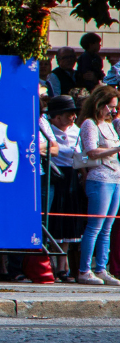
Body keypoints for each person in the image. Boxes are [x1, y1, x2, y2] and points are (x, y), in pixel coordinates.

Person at [75, 86, 120, 285]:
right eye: (110, 107)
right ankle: (84, 270)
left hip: (115, 178)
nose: (113, 111)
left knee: (107, 228)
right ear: (99, 104)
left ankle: (101, 268)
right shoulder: (89, 124)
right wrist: (117, 149)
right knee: (94, 226)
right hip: (99, 178)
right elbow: (91, 151)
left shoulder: (109, 125)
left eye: (115, 107)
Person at [41, 94, 84, 281]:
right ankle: (49, 263)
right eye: (69, 114)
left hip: (72, 175)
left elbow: (80, 153)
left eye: (74, 114)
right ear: (56, 116)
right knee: (54, 220)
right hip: (54, 175)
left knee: (68, 222)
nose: (73, 118)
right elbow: (55, 149)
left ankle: (63, 265)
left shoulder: (76, 130)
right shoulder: (47, 129)